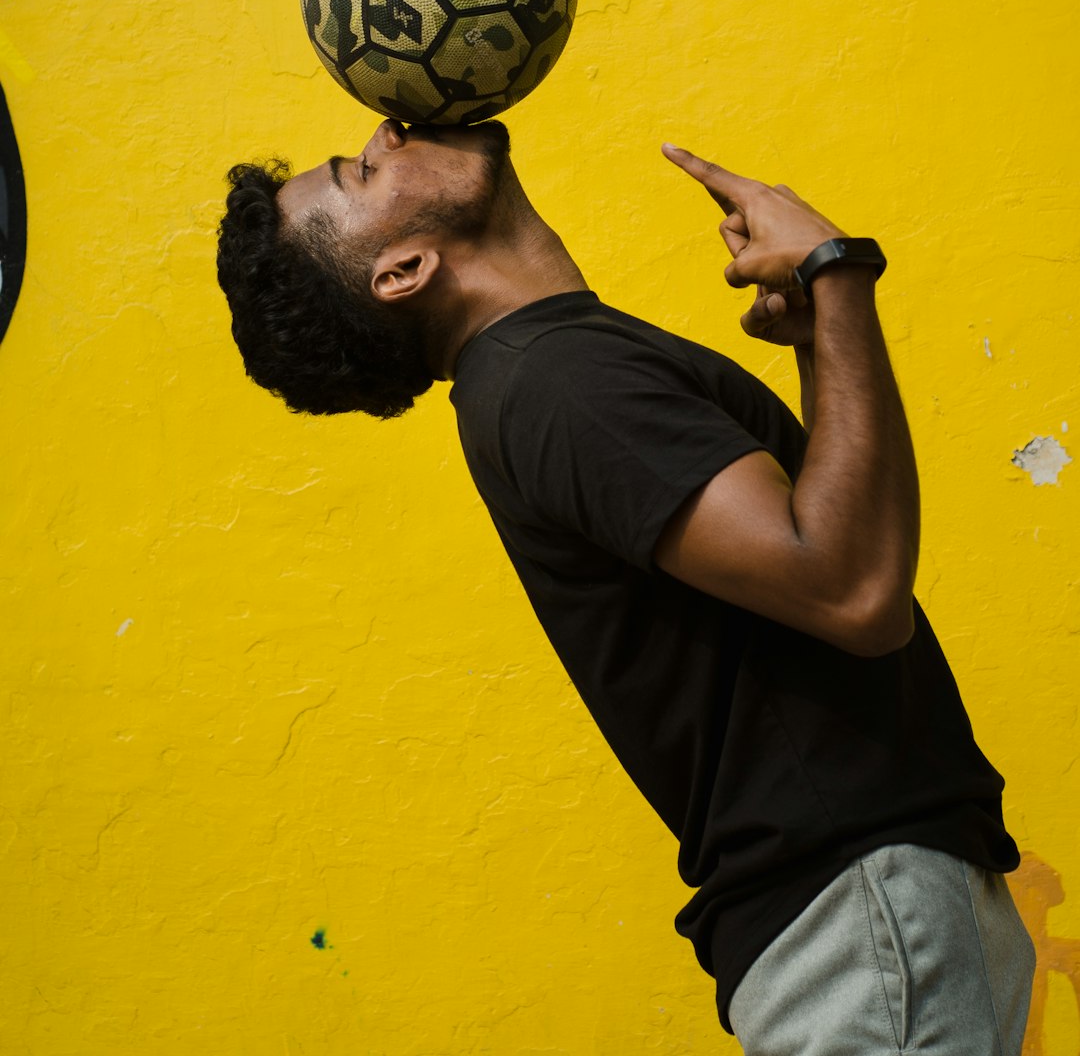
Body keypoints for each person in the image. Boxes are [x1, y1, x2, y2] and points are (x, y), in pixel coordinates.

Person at [216, 117, 1035, 1053]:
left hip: (867, 914)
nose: (387, 128)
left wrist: (817, 338)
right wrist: (838, 277)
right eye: (360, 170)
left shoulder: (548, 368)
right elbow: (853, 592)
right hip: (861, 916)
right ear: (403, 271)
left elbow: (824, 570)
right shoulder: (561, 379)